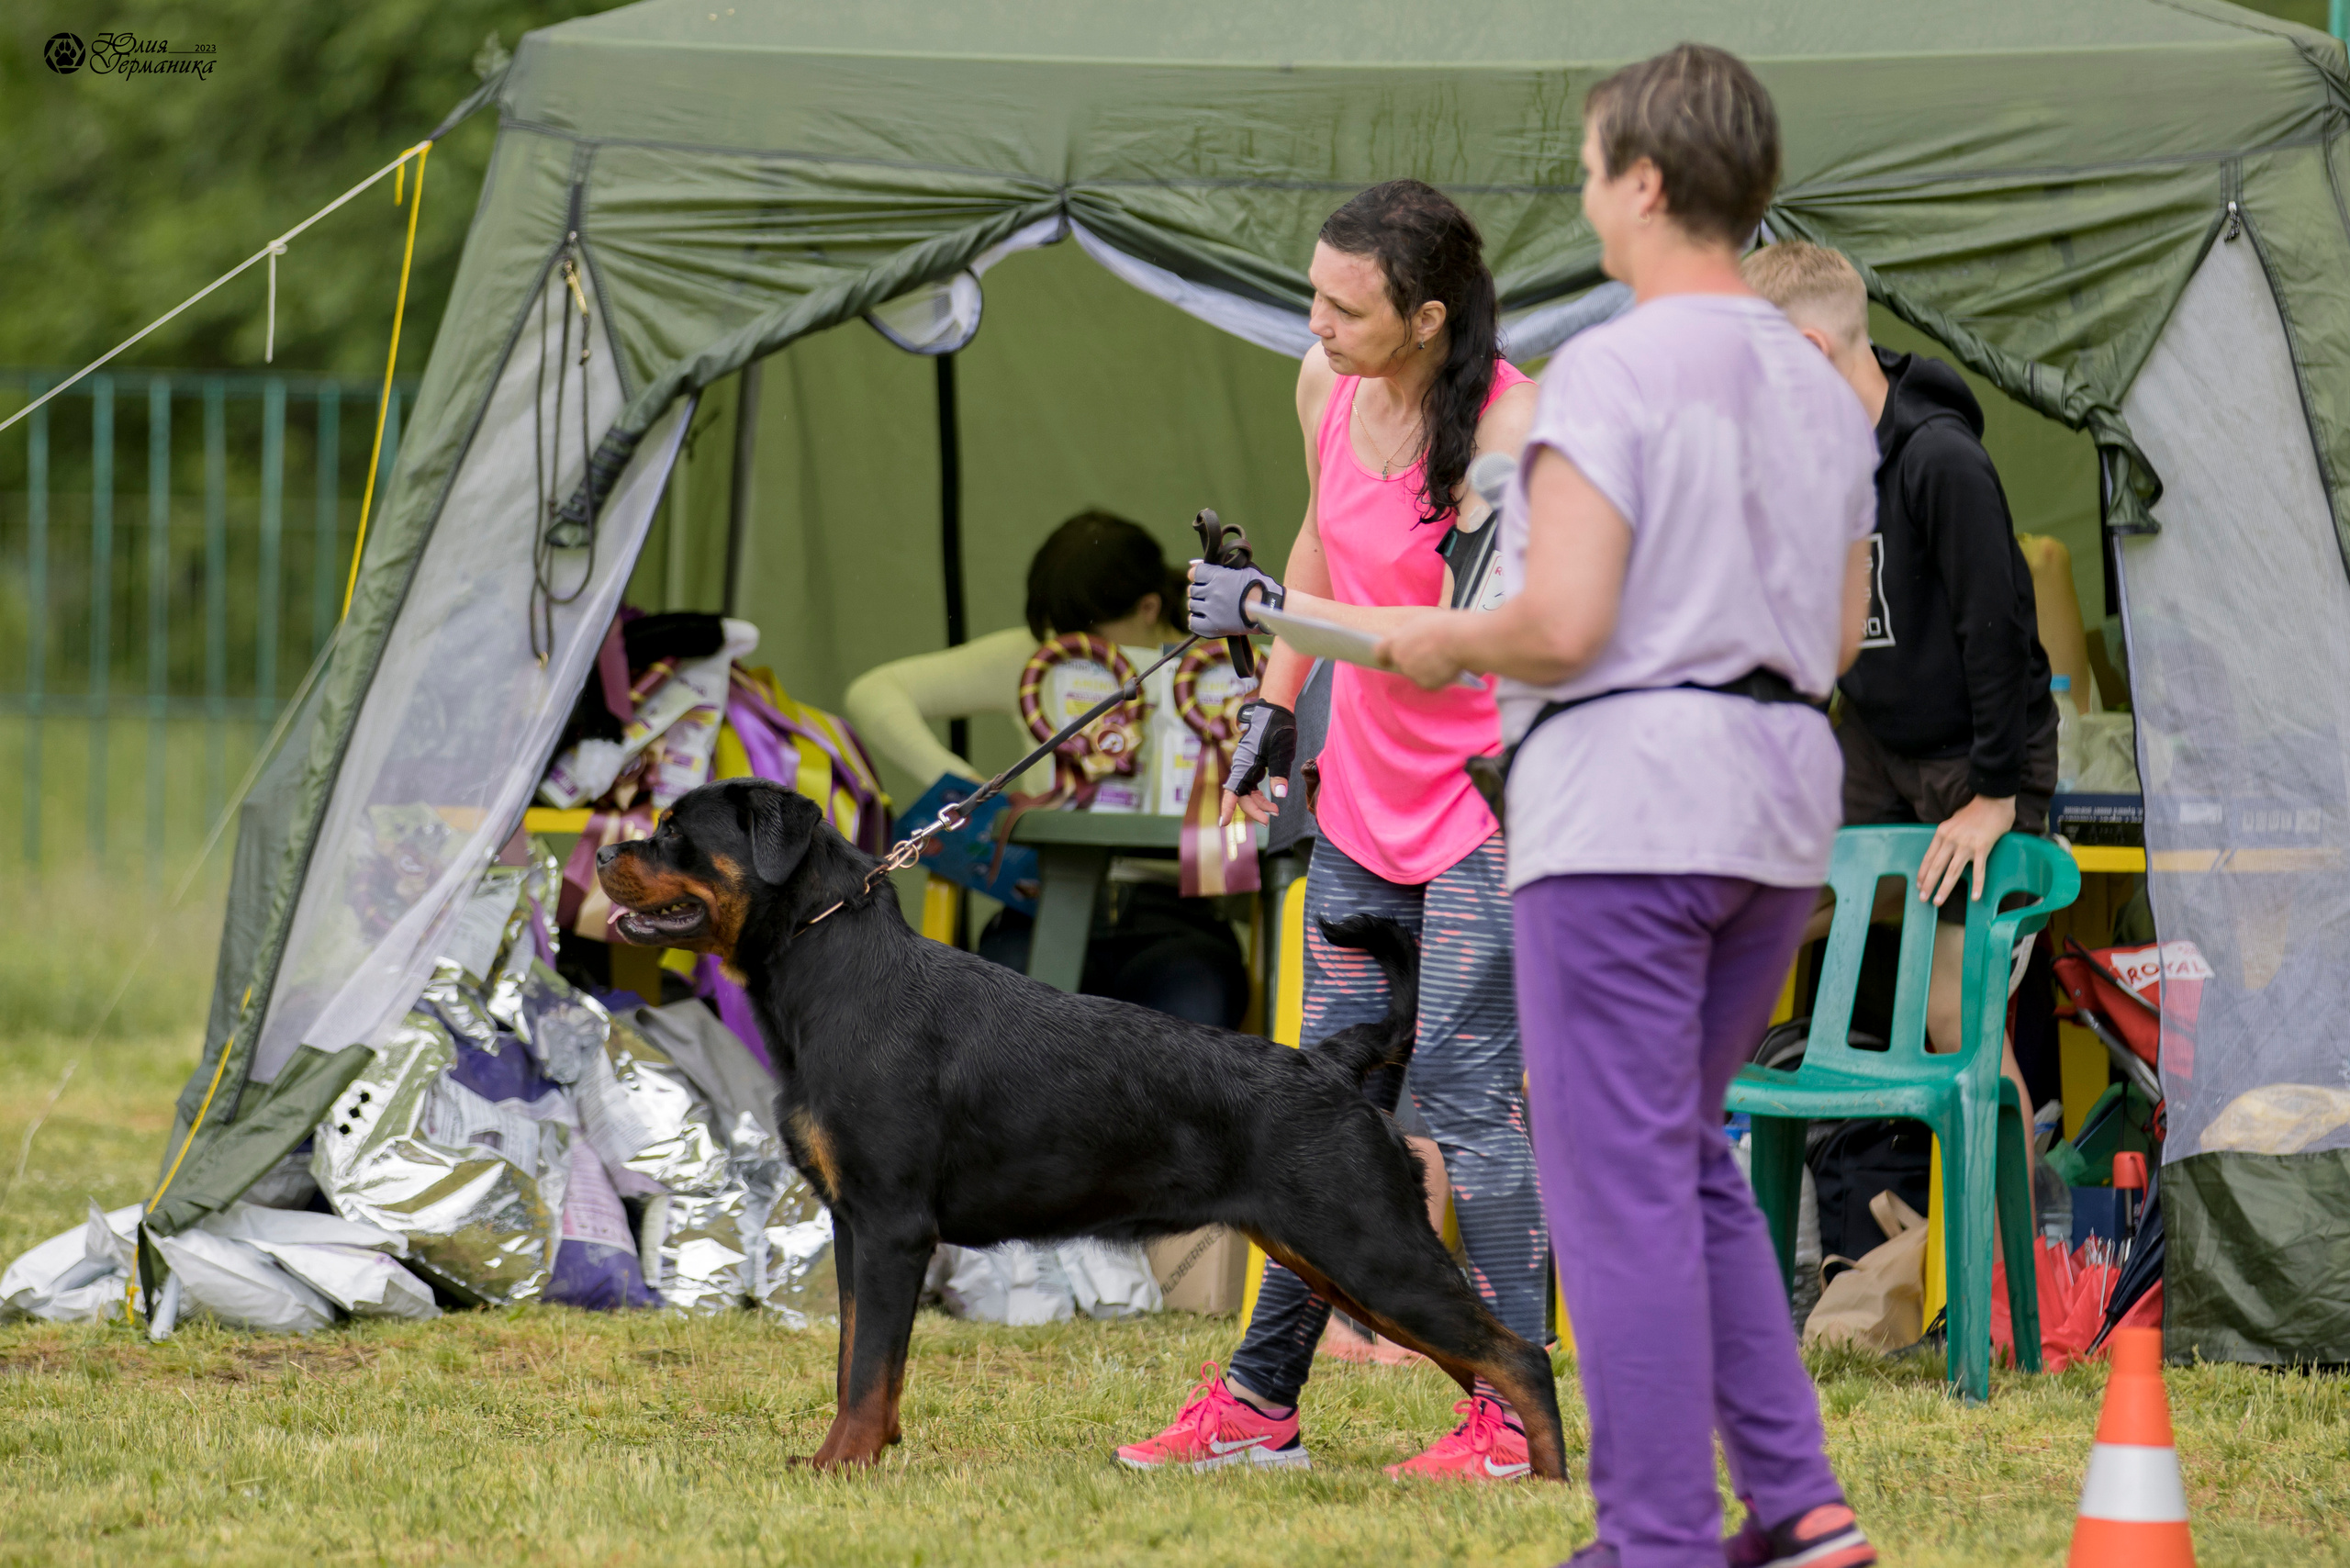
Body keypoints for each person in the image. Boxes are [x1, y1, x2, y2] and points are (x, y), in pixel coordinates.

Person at [1380, 46, 1880, 1568]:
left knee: (1613, 1185)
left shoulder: (1610, 364)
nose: (1586, 194)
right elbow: (1844, 634)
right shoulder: (1823, 379)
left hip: (1628, 809)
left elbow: (1563, 619)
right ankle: (1796, 1508)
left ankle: (1653, 1535)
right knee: (1681, 1155)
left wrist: (1440, 636)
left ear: (1647, 182)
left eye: (1594, 167)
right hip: (1781, 804)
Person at [1116, 179, 1550, 1481]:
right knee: (1315, 1109)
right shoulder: (1326, 388)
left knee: (1471, 1102)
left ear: (1425, 317)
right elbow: (1318, 542)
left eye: (1342, 307)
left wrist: (1265, 615)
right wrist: (1273, 704)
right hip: (1362, 800)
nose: (1314, 325)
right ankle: (1260, 1406)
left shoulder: (1512, 436)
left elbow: (1438, 650)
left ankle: (1516, 1416)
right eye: (1311, 294)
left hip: (1484, 807)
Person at [1741, 241, 2056, 1116]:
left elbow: (1998, 633)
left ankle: (2007, 1239)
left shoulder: (1938, 459)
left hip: (1981, 757)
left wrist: (1994, 795)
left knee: (1955, 1017)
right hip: (1876, 750)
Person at [843, 510, 1248, 1026]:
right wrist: (974, 791)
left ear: (1150, 607)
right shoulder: (1034, 657)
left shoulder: (1219, 672)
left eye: (1083, 632)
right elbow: (874, 694)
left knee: (1198, 1012)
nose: (1070, 649)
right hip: (1042, 904)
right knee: (999, 1026)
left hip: (1175, 918)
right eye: (1056, 633)